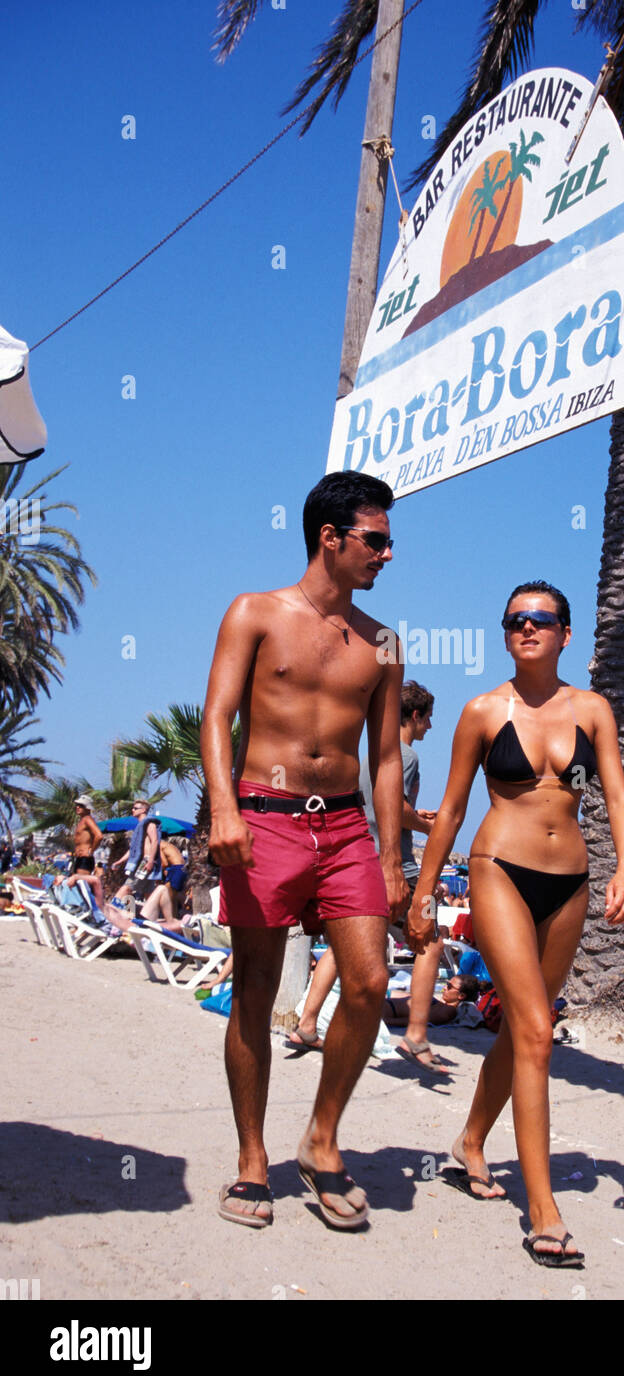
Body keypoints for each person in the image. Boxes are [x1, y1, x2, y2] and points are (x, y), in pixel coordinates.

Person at [406, 581, 624, 1268]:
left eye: (540, 619)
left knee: (522, 1030)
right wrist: (423, 893)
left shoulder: (592, 710)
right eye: (514, 620)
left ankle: (471, 1141)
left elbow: (620, 795)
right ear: (505, 632)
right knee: (537, 1029)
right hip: (498, 869)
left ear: (566, 633)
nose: (526, 628)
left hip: (570, 885)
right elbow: (448, 810)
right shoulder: (482, 711)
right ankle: (542, 1208)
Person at [201, 473, 409, 1231]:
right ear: (332, 537)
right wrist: (224, 809)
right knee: (256, 991)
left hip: (347, 824)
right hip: (263, 818)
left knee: (368, 981)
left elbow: (387, 758)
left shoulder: (383, 641)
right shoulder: (255, 613)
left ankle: (321, 1139)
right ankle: (252, 1160)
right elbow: (218, 715)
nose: (388, 553)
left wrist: (392, 857)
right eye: (376, 539)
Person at [289, 681, 446, 1070]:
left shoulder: (369, 755)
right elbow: (391, 806)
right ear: (415, 716)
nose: (430, 727)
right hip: (396, 865)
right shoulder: (406, 757)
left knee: (345, 948)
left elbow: (378, 807)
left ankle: (307, 1023)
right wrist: (430, 827)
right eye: (428, 719)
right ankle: (416, 1034)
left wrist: (415, 816)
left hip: (361, 860)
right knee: (430, 942)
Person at [383, 973, 481, 1027]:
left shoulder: (448, 1011)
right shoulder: (442, 1005)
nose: (445, 988)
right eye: (446, 984)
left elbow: (418, 1021)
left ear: (461, 996)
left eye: (449, 986)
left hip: (386, 1010)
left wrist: (386, 1021)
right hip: (386, 1003)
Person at [112, 799, 161, 905]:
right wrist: (119, 861)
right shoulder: (140, 826)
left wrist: (151, 861)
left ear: (143, 810)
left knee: (127, 888)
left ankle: (112, 911)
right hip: (145, 862)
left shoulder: (149, 823)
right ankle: (132, 914)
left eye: (135, 808)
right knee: (149, 894)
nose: (132, 810)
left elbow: (155, 841)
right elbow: (133, 849)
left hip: (145, 862)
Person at [72, 795, 103, 874]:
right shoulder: (82, 820)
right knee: (77, 883)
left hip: (85, 858)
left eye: (81, 806)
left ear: (87, 808)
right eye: (77, 805)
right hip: (80, 858)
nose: (78, 807)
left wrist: (91, 850)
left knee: (82, 883)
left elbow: (99, 836)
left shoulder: (87, 819)